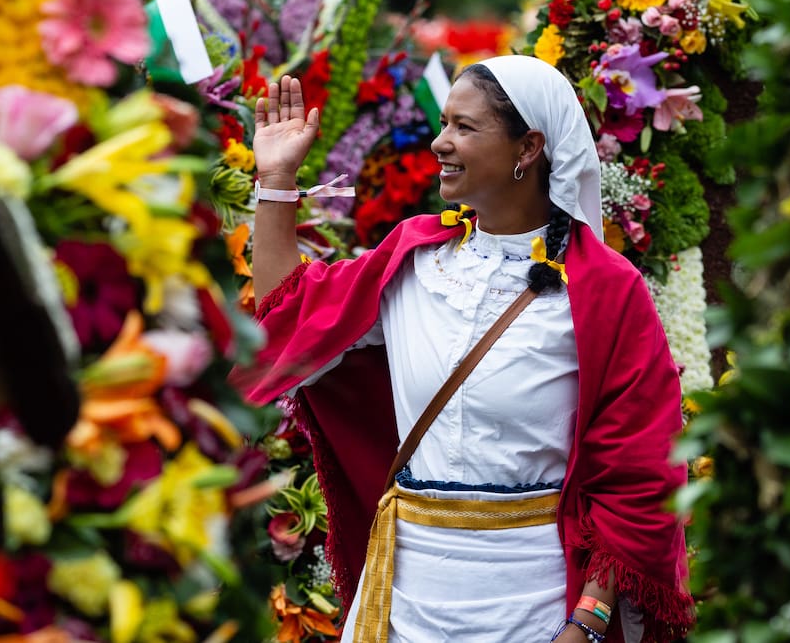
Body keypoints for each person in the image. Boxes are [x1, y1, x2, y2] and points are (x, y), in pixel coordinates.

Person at [233, 56, 693, 643]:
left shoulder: (606, 289)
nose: (438, 142)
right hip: (401, 603)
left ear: (528, 148)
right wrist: (275, 182)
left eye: (463, 127)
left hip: (536, 608)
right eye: (444, 123)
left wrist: (589, 620)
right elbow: (286, 323)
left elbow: (642, 471)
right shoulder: (412, 258)